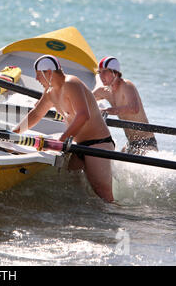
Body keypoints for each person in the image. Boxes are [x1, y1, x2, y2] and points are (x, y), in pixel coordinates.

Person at [13, 55, 115, 203]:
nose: (36, 78)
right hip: (78, 146)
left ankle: (117, 221)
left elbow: (83, 116)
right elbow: (36, 114)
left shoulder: (71, 83)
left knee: (103, 195)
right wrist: (14, 133)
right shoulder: (50, 93)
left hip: (98, 144)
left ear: (48, 72)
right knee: (72, 189)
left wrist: (60, 141)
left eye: (38, 74)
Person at [93, 56, 158, 155]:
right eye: (99, 72)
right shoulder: (104, 91)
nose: (101, 76)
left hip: (147, 142)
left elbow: (134, 108)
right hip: (130, 143)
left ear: (115, 72)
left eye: (105, 71)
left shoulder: (126, 85)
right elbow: (85, 99)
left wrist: (106, 110)